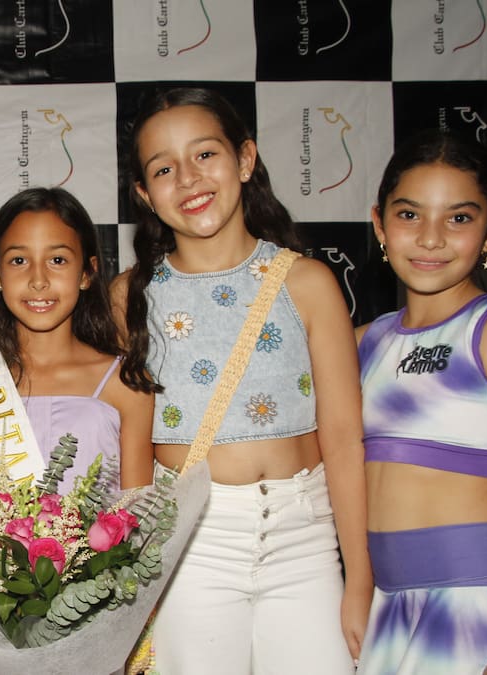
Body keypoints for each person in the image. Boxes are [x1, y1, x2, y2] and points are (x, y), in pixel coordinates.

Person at [111, 87, 370, 674]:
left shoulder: (307, 282)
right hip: (188, 549)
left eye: (206, 154)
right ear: (144, 195)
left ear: (245, 160)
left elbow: (346, 439)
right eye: (163, 168)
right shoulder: (129, 297)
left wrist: (359, 577)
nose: (188, 178)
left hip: (306, 541)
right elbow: (62, 374)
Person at [357, 130, 487, 674]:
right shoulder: (361, 342)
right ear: (379, 223)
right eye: (409, 215)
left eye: (458, 218)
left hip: (482, 612)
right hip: (390, 615)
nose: (431, 238)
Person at [0, 186, 154, 498]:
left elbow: (140, 523)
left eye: (57, 259)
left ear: (86, 272)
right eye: (18, 260)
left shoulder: (127, 383)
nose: (38, 279)